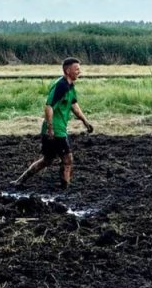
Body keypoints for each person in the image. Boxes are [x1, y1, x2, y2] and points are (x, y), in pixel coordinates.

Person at [13, 57, 94, 190]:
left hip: (57, 128)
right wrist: (50, 128)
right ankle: (65, 188)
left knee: (47, 160)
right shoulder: (61, 86)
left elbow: (74, 105)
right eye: (77, 69)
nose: (80, 72)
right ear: (68, 71)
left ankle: (20, 180)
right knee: (67, 160)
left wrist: (85, 121)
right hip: (56, 129)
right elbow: (49, 106)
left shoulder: (69, 86)